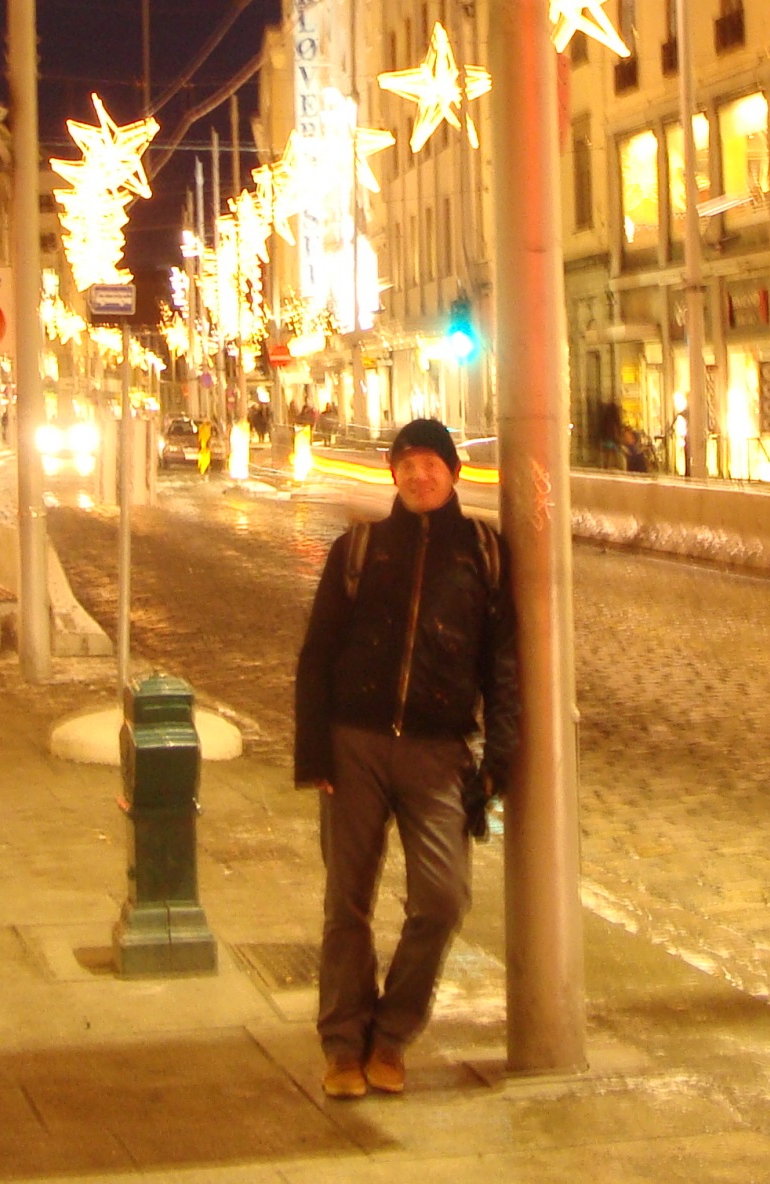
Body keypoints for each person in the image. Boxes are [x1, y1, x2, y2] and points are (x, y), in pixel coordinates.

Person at [293, 418, 515, 1101]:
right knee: (347, 904)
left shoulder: (482, 552)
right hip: (354, 745)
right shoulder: (360, 549)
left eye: (431, 464)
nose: (420, 475)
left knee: (443, 900)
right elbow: (317, 655)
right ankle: (343, 1045)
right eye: (408, 464)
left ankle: (391, 1033)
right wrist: (314, 753)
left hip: (438, 751)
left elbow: (503, 663)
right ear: (393, 474)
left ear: (453, 473)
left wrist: (498, 757)